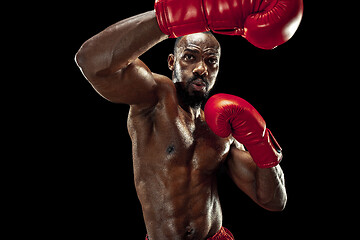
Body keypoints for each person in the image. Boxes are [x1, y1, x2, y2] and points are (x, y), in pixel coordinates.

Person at [75, 0, 303, 239]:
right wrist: (184, 15)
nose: (201, 69)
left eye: (211, 61)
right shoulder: (155, 97)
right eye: (190, 57)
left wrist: (261, 140)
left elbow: (273, 201)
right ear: (172, 62)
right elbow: (91, 62)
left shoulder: (222, 127)